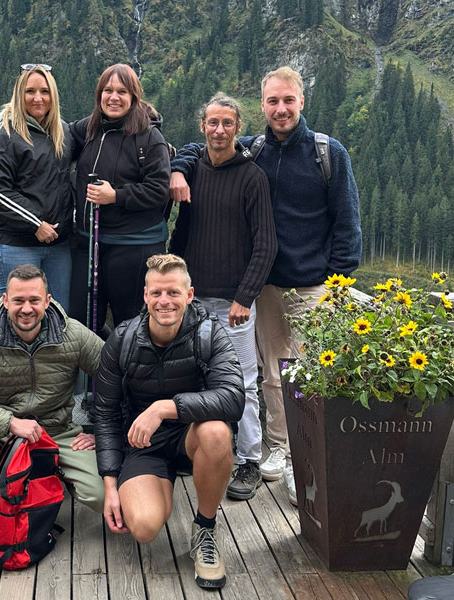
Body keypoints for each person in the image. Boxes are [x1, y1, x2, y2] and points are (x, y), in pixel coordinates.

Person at [170, 66, 362, 505]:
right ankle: (281, 450)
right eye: (273, 101)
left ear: (301, 102)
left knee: (314, 373)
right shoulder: (254, 151)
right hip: (267, 286)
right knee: (273, 376)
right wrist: (179, 167)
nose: (280, 109)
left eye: (288, 100)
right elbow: (202, 149)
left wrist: (339, 282)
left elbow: (348, 223)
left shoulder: (327, 153)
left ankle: (312, 457)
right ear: (262, 106)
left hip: (315, 284)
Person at [92, 254, 244, 590]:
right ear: (145, 296)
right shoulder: (123, 339)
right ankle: (160, 487)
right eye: (157, 293)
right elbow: (104, 412)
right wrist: (110, 485)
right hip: (143, 444)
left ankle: (204, 527)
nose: (165, 301)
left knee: (217, 431)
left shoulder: (210, 334)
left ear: (189, 295)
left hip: (192, 435)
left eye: (173, 293)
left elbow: (234, 398)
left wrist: (165, 408)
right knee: (144, 528)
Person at [169, 93, 277, 501]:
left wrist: (244, 297)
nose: (219, 130)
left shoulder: (252, 177)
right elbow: (183, 233)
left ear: (237, 127)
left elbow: (265, 245)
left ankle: (249, 459)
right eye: (212, 123)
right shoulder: (193, 170)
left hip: (234, 304)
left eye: (227, 123)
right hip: (193, 301)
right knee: (193, 377)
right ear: (203, 127)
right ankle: (195, 451)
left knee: (244, 383)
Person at [0, 264, 105, 512]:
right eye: (18, 300)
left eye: (34, 300)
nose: (26, 309)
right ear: (5, 301)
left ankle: (46, 483)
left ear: (47, 301)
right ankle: (0, 488)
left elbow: (117, 379)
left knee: (100, 496)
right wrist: (9, 422)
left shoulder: (74, 334)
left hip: (58, 433)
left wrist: (104, 433)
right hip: (2, 434)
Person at [69, 63, 171, 332]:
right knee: (81, 322)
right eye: (107, 90)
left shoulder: (150, 137)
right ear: (99, 94)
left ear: (134, 97)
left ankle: (125, 374)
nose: (113, 97)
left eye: (122, 91)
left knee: (131, 326)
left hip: (134, 248)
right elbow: (56, 134)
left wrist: (116, 196)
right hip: (90, 243)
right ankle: (95, 373)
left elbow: (159, 190)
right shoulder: (89, 130)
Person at [0, 64, 73, 312]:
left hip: (57, 246)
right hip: (17, 245)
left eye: (44, 91)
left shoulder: (63, 131)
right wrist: (35, 224)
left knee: (58, 318)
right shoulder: (5, 132)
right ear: (19, 94)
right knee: (20, 317)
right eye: (30, 91)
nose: (38, 98)